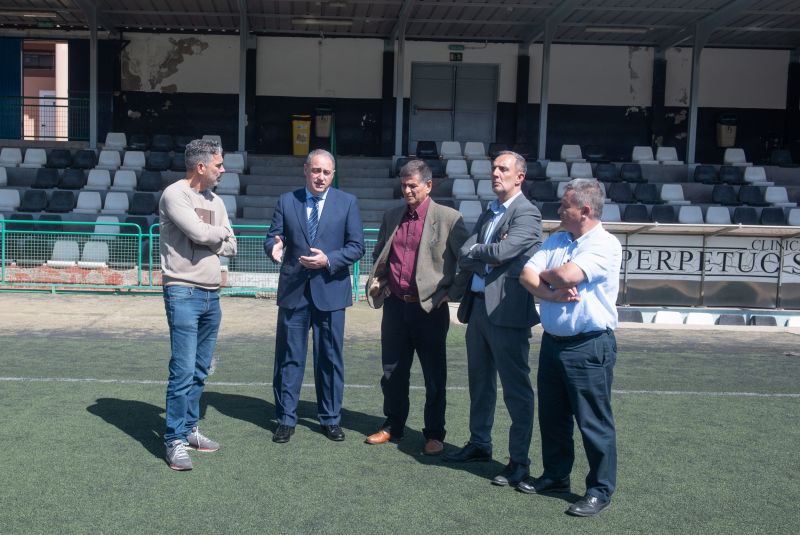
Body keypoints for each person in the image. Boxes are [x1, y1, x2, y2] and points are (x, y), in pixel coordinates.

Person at [519, 178, 622, 517]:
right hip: (554, 344)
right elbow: (525, 275)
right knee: (552, 417)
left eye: (565, 206)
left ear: (586, 210)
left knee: (593, 421)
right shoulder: (559, 238)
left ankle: (599, 490)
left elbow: (567, 275)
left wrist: (549, 278)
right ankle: (556, 476)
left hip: (589, 346)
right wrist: (550, 291)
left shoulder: (605, 244)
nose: (559, 210)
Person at [442, 151, 542, 489]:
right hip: (480, 309)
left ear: (520, 177)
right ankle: (480, 444)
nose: (495, 173)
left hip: (508, 313)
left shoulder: (527, 213)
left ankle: (518, 462)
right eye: (494, 168)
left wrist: (482, 251)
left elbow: (500, 252)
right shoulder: (491, 211)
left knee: (516, 391)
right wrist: (485, 250)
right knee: (480, 383)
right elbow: (468, 252)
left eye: (503, 169)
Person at [364, 159, 470, 455]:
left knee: (434, 375)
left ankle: (435, 434)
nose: (407, 190)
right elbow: (379, 254)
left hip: (430, 310)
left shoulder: (449, 218)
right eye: (403, 185)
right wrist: (380, 280)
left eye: (412, 185)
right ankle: (392, 425)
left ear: (428, 185)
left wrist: (452, 292)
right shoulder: (392, 216)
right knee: (393, 372)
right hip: (396, 308)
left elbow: (468, 260)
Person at [264, 149, 364, 444]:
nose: (321, 177)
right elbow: (273, 236)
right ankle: (285, 418)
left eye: (327, 172)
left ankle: (331, 418)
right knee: (288, 358)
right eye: (316, 170)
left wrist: (328, 260)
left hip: (331, 291)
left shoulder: (347, 203)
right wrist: (274, 246)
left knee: (330, 358)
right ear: (305, 170)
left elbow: (357, 246)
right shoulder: (286, 200)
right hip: (294, 293)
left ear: (333, 175)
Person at [159, 138, 237, 471]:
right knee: (183, 369)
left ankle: (190, 428)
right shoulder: (174, 195)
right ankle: (173, 440)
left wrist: (213, 234)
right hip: (183, 291)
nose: (223, 170)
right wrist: (214, 234)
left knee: (200, 370)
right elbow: (200, 234)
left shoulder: (217, 201)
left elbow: (231, 245)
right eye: (219, 165)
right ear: (201, 167)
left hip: (211, 294)